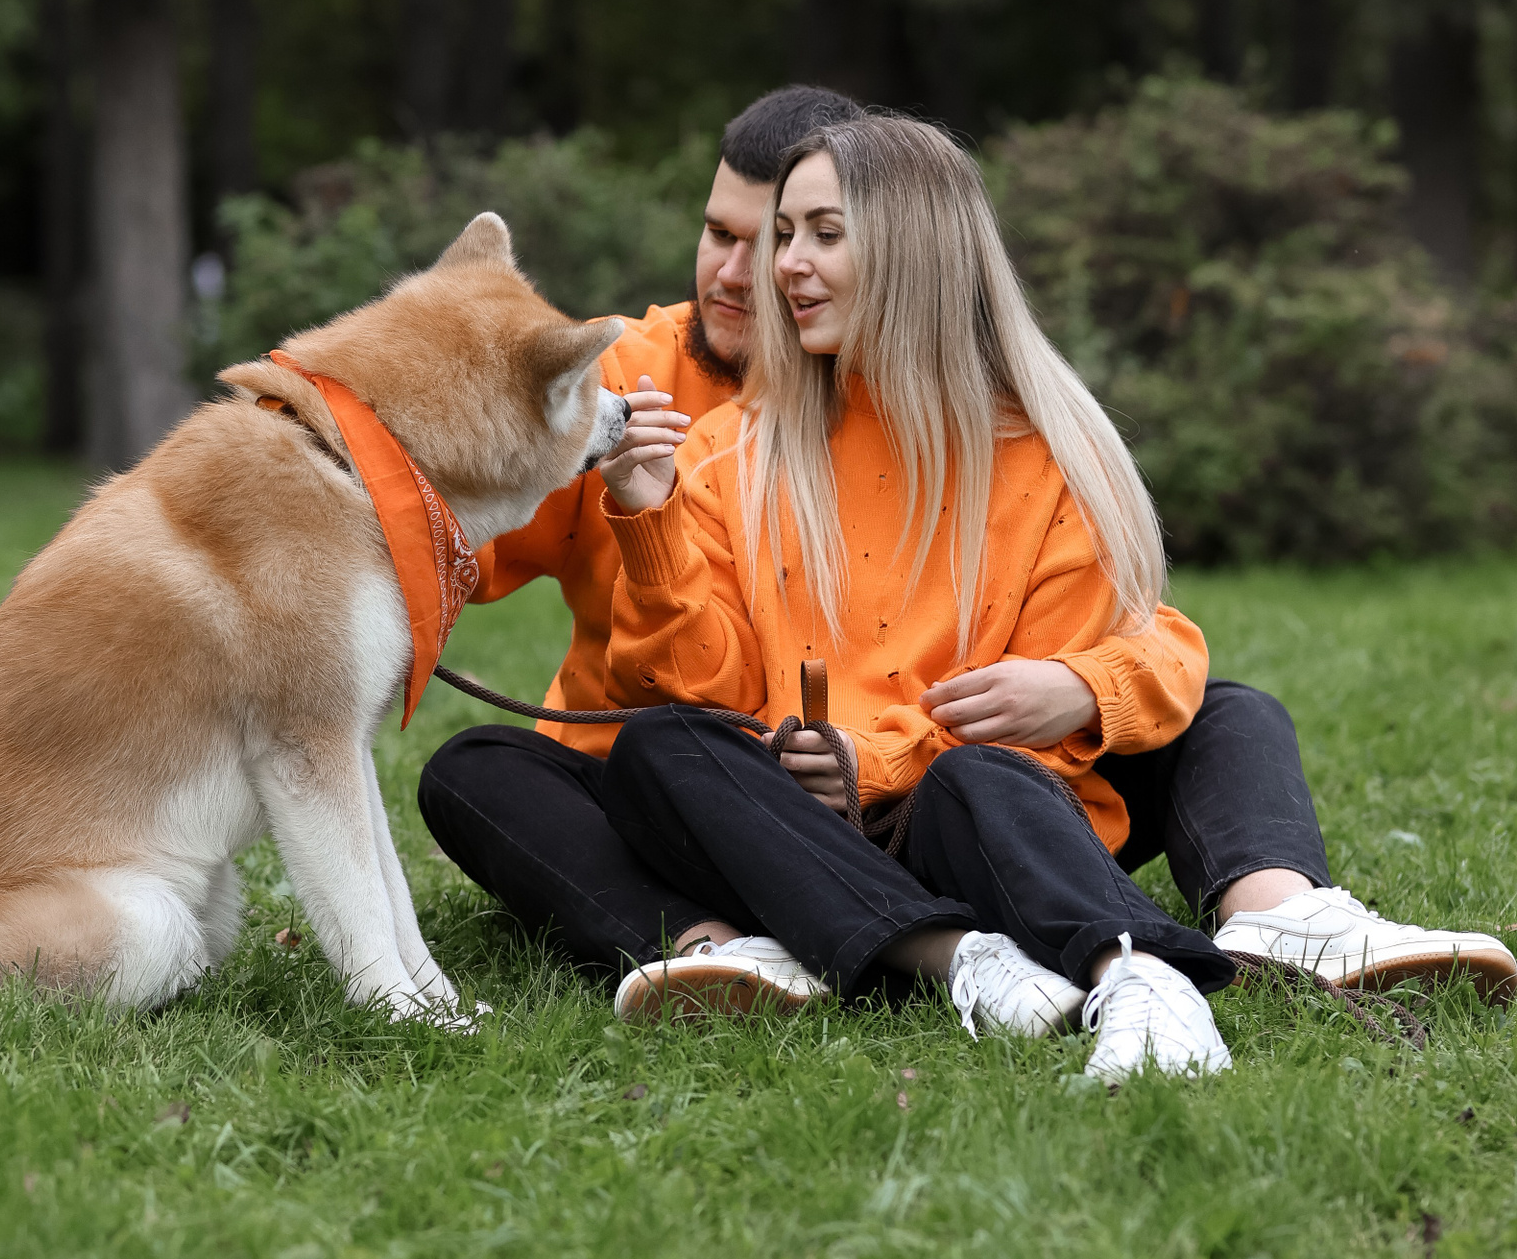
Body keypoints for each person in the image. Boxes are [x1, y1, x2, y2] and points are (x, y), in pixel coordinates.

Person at [418, 93, 1515, 1049]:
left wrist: (1008, 711)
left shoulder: (1047, 454)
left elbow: (1098, 679)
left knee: (1176, 725)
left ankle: (1262, 918)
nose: (771, 266)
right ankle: (779, 946)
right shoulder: (717, 444)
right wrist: (645, 519)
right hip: (787, 814)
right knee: (613, 751)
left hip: (971, 808)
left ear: (915, 251)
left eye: (817, 235)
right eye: (766, 234)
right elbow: (703, 695)